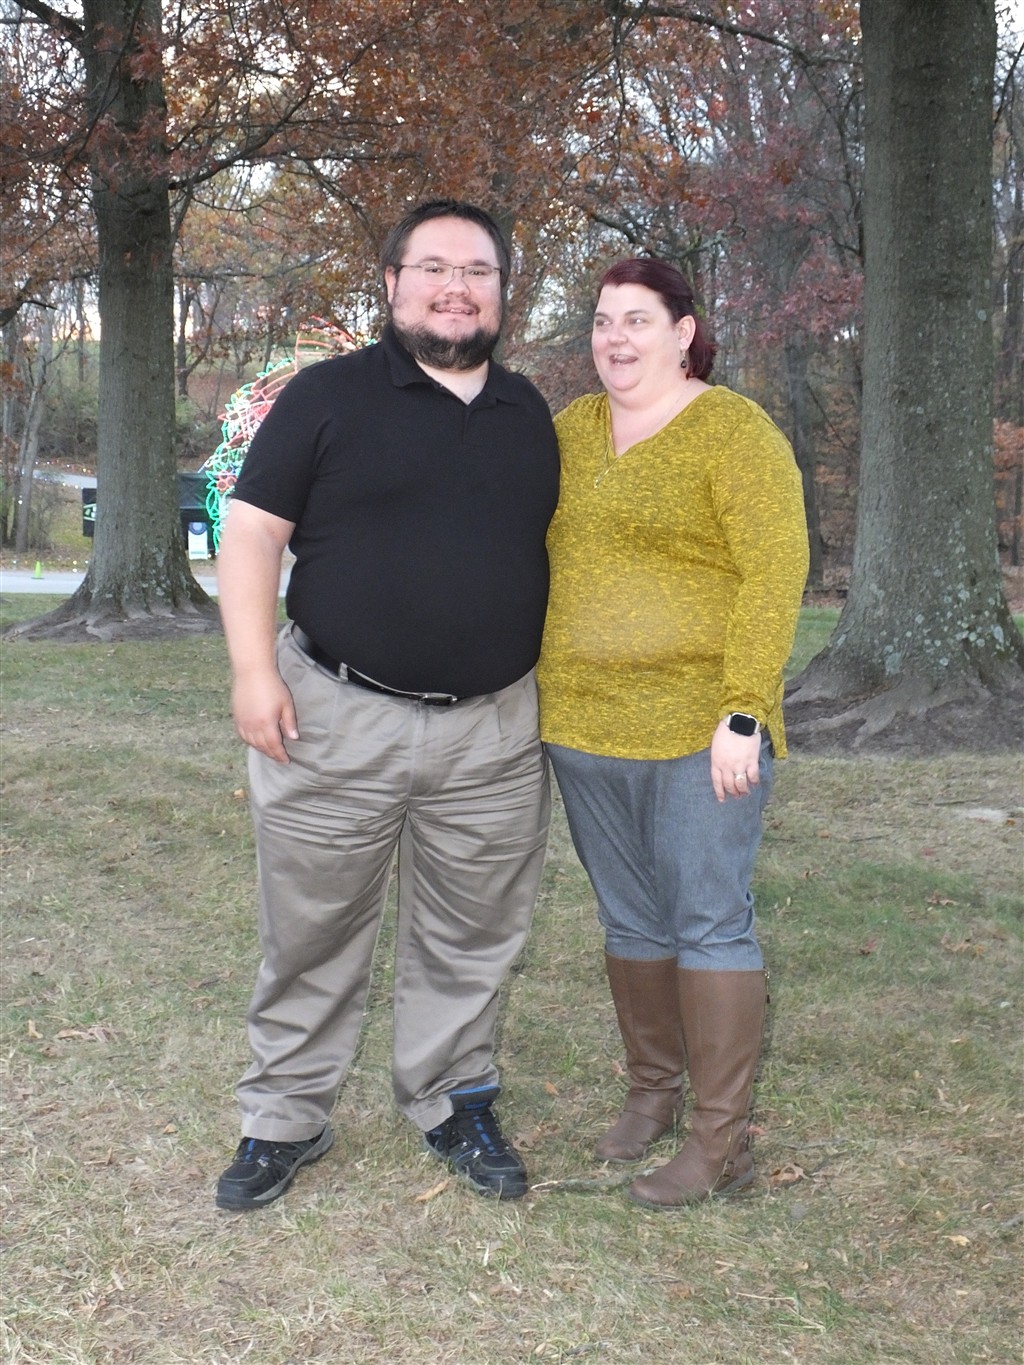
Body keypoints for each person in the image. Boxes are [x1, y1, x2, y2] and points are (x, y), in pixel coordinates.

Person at [214, 200, 559, 1210]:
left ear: (503, 291)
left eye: (479, 272)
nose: (458, 288)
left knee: (471, 935)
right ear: (393, 282)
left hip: (493, 733)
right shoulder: (325, 395)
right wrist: (252, 672)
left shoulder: (528, 413)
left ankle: (453, 1100)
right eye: (435, 267)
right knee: (312, 931)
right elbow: (251, 533)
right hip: (333, 717)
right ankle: (284, 1116)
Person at [537, 258, 808, 1209]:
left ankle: (719, 1140)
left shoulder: (734, 431)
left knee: (708, 918)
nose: (615, 338)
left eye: (637, 320)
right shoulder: (570, 431)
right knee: (630, 918)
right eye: (602, 321)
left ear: (684, 332)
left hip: (703, 730)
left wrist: (744, 708)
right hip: (582, 722)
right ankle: (652, 1092)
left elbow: (775, 571)